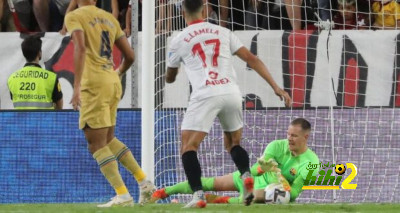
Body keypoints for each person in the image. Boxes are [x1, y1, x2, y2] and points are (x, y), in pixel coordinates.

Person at [165, 0, 291, 208]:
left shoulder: (179, 39)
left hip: (205, 92)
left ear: (182, 11)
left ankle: (198, 195)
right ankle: (245, 175)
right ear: (205, 9)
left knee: (189, 146)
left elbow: (170, 77)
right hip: (231, 91)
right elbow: (252, 59)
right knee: (233, 144)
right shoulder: (222, 31)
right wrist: (276, 87)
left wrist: (173, 72)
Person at [64, 0, 155, 207]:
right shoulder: (110, 18)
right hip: (112, 81)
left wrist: (76, 86)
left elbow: (80, 47)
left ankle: (122, 195)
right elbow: (130, 56)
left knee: (95, 144)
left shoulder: (74, 16)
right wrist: (118, 72)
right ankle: (143, 181)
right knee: (108, 139)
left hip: (93, 84)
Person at [151, 118, 320, 204]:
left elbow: (294, 194)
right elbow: (258, 167)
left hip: (268, 190)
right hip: (251, 178)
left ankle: (216, 200)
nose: (289, 139)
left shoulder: (312, 163)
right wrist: (249, 177)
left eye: (294, 136)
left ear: (306, 137)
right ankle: (162, 193)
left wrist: (277, 174)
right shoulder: (277, 145)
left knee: (269, 197)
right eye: (288, 134)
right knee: (210, 182)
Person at [8, 35, 63, 110]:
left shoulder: (12, 78)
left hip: (21, 121)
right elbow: (59, 106)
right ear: (39, 53)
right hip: (45, 121)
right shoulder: (51, 78)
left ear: (24, 54)